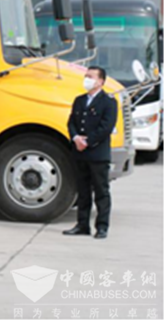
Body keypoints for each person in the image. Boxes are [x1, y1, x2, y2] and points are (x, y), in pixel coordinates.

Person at [64, 66, 117, 239]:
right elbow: (71, 122)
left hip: (97, 153)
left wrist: (87, 141)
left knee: (101, 191)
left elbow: (106, 127)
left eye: (91, 77)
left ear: (101, 81)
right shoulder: (79, 100)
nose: (87, 79)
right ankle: (82, 225)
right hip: (80, 153)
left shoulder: (108, 102)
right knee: (83, 191)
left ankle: (102, 226)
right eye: (86, 76)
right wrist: (75, 138)